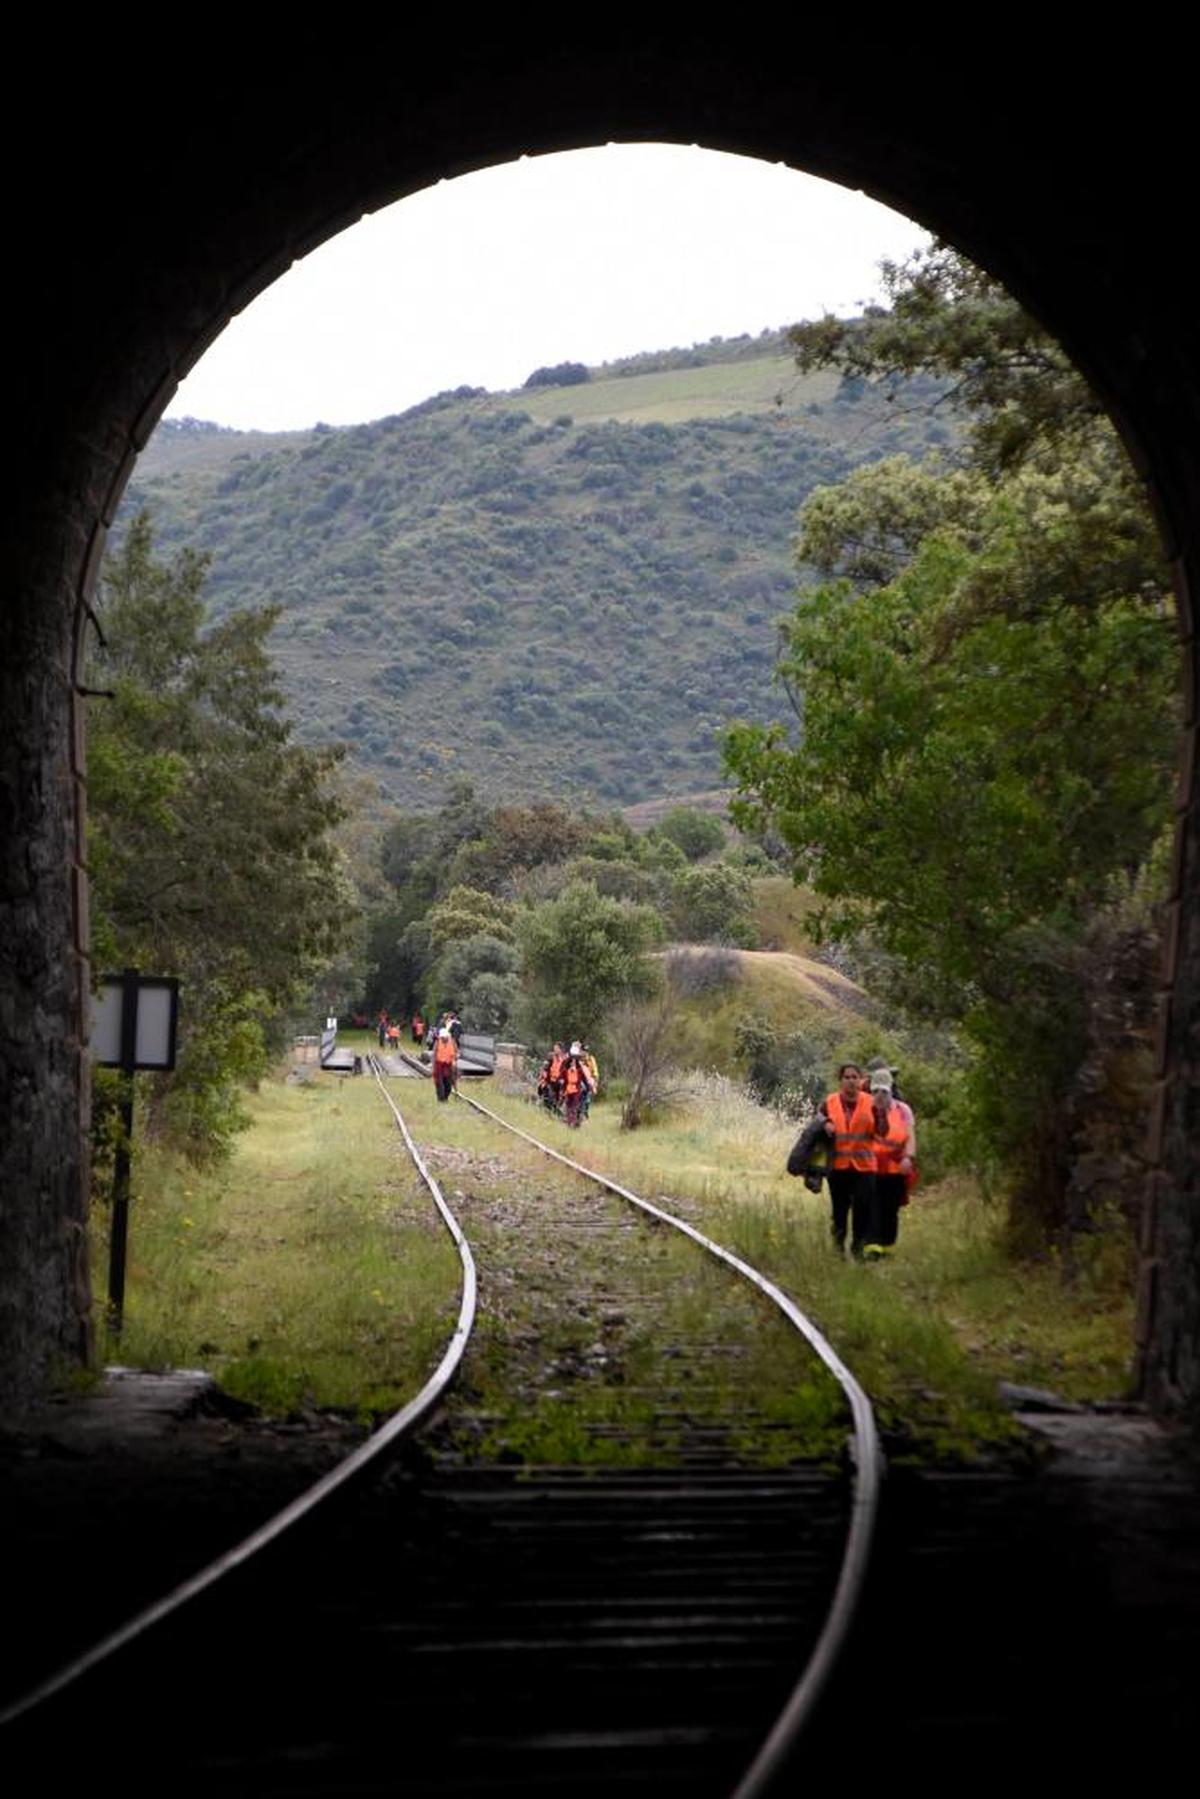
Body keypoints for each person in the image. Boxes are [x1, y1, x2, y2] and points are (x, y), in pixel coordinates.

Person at [820, 1062, 876, 1256]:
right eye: (847, 1077)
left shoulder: (871, 1101)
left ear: (860, 1080)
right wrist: (825, 1123)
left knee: (863, 1209)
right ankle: (838, 1249)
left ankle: (858, 1247)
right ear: (840, 1080)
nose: (851, 1081)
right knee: (840, 1211)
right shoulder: (830, 1101)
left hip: (865, 1167)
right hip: (838, 1167)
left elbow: (883, 1129)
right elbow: (816, 1121)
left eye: (855, 1077)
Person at [863, 1069, 917, 1258]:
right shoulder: (865, 1109)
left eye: (884, 1091)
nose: (879, 1096)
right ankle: (871, 1247)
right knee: (872, 1206)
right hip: (870, 1168)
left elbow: (910, 1137)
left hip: (895, 1168)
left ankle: (886, 1246)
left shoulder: (903, 1111)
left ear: (890, 1091)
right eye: (875, 1091)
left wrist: (908, 1158)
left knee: (890, 1209)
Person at [560, 1042, 594, 1128]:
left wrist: (589, 1086)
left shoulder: (581, 1067)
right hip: (568, 1089)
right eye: (573, 1059)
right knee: (568, 1106)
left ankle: (574, 1121)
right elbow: (562, 1077)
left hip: (577, 1089)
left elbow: (585, 1078)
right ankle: (569, 1121)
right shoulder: (566, 1067)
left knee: (576, 1106)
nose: (573, 1061)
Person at [432, 1026, 458, 1102]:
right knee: (439, 1084)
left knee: (448, 1085)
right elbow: (434, 1054)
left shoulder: (452, 1042)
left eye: (444, 1037)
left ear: (447, 1036)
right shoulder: (437, 1042)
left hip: (448, 1065)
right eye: (442, 1037)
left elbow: (456, 1052)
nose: (443, 1039)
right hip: (439, 1065)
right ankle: (441, 1099)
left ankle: (445, 1097)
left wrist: (454, 1061)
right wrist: (433, 1065)